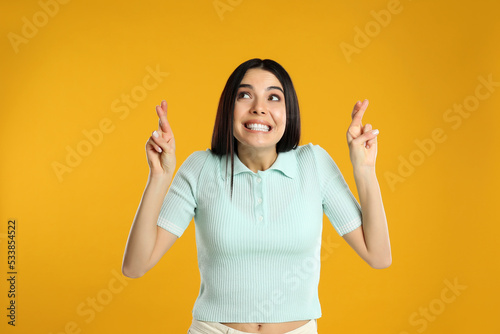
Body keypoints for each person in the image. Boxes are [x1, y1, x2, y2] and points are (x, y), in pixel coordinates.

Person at [122, 58, 391, 334]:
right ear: (229, 108)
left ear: (289, 112)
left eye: (273, 97)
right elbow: (135, 265)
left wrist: (365, 168)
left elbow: (378, 256)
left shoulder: (314, 164)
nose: (259, 108)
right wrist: (159, 176)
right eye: (245, 95)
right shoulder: (201, 167)